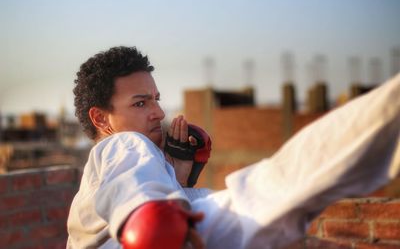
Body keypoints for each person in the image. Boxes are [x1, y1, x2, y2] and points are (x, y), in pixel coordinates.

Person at [67, 46, 400, 249]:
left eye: (156, 99)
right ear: (100, 118)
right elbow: (148, 225)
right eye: (140, 104)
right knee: (290, 175)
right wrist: (151, 216)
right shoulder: (119, 145)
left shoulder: (104, 180)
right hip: (168, 232)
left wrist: (178, 180)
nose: (159, 112)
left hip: (189, 229)